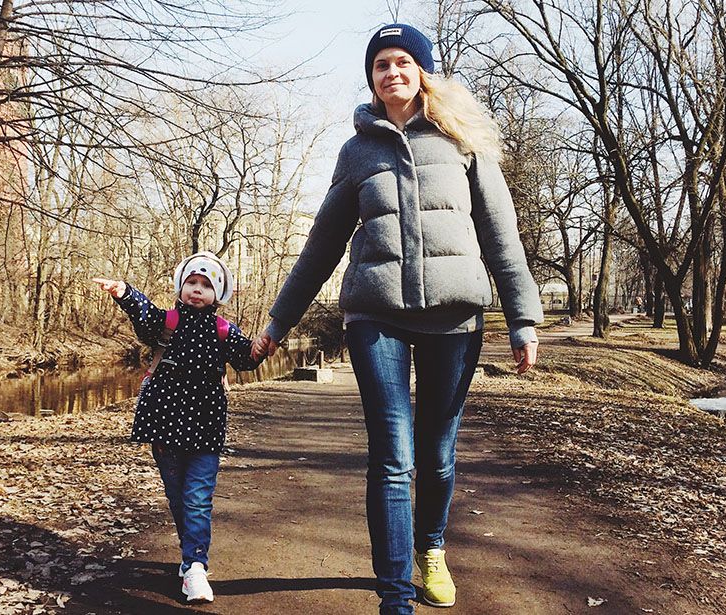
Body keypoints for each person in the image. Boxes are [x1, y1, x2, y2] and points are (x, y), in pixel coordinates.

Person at [251, 23, 543, 615]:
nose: (392, 72)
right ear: (372, 78)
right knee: (392, 457)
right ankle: (394, 597)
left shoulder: (462, 140)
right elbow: (322, 245)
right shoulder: (357, 151)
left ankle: (430, 549)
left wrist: (523, 319)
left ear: (422, 70)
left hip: (456, 319)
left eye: (403, 61)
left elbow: (501, 237)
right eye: (381, 64)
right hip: (374, 317)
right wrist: (279, 321)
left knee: (436, 453)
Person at [94, 251, 264, 604]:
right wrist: (124, 291)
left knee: (198, 497)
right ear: (181, 286)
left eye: (206, 285)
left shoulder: (224, 331)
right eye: (192, 282)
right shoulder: (167, 321)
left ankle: (196, 567)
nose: (197, 290)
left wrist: (264, 346)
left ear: (217, 294)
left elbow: (246, 358)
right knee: (178, 496)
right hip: (164, 424)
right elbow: (144, 315)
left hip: (205, 426)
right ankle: (191, 556)